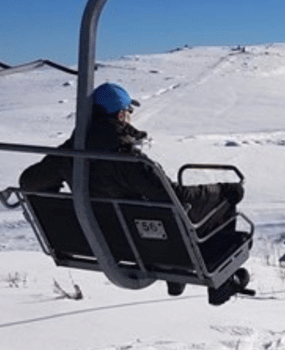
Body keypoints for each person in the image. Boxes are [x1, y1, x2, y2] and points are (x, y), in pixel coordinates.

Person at [19, 82, 246, 298]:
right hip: (144, 248)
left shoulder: (70, 155)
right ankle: (214, 280)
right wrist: (224, 190)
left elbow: (28, 182)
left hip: (99, 243)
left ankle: (177, 271)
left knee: (152, 219)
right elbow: (176, 199)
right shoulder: (129, 161)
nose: (130, 117)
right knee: (217, 202)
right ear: (120, 115)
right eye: (128, 111)